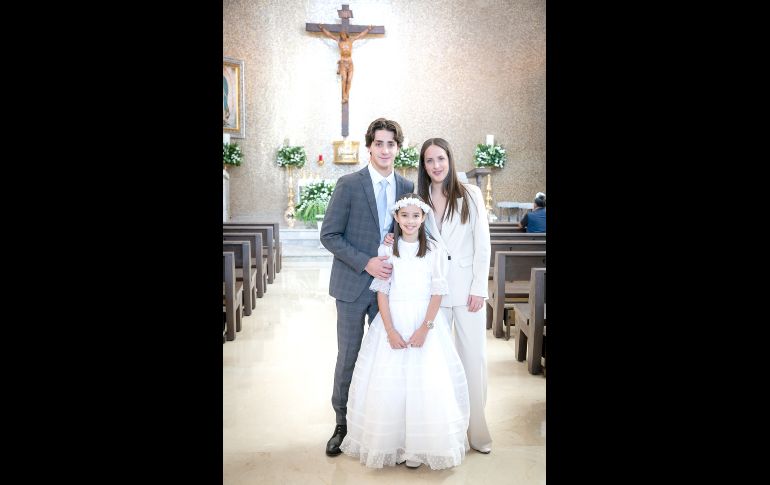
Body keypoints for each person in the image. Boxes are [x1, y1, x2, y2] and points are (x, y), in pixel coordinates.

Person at [339, 193, 470, 470]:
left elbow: (437, 291)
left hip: (423, 321)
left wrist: (426, 328)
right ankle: (394, 442)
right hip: (394, 320)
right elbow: (382, 291)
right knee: (391, 384)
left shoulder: (433, 250)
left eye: (416, 216)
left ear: (424, 218)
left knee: (425, 384)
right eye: (405, 215)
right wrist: (389, 330)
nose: (410, 221)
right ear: (396, 218)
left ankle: (419, 446)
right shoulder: (387, 249)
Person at [320, 118, 414, 457]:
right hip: (351, 285)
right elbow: (329, 235)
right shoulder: (349, 184)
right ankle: (342, 423)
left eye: (391, 144)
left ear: (397, 148)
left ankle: (376, 423)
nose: (385, 150)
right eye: (379, 144)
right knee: (348, 355)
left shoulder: (407, 187)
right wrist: (366, 261)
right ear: (370, 147)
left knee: (384, 357)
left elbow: (414, 234)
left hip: (389, 290)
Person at [416, 137, 493, 454]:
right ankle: (439, 433)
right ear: (423, 165)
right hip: (433, 295)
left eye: (441, 159)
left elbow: (483, 244)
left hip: (466, 293)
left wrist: (479, 288)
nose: (436, 166)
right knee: (434, 365)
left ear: (450, 160)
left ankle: (477, 432)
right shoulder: (419, 198)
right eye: (430, 161)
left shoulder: (470, 194)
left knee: (472, 362)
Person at [317, 24, 374, 103]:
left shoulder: (351, 40)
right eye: (341, 35)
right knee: (344, 79)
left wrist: (368, 29)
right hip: (343, 63)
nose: (342, 36)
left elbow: (360, 35)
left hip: (350, 63)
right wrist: (322, 29)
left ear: (346, 35)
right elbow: (329, 35)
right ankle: (344, 95)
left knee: (349, 80)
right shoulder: (339, 41)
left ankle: (347, 94)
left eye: (343, 35)